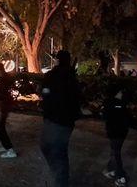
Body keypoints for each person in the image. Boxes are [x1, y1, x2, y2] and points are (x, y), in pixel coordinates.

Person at [40, 50, 82, 187]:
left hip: (54, 119)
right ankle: (60, 178)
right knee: (59, 151)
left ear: (57, 60)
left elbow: (44, 93)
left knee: (53, 150)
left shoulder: (52, 76)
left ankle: (60, 180)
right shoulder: (72, 77)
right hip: (65, 121)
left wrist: (45, 101)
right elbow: (78, 99)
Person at [102, 84, 137, 187]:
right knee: (115, 153)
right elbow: (128, 117)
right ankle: (117, 174)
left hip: (115, 132)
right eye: (120, 92)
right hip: (118, 132)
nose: (121, 93)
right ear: (116, 93)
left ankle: (115, 172)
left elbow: (107, 116)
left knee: (115, 152)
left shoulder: (111, 103)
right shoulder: (118, 104)